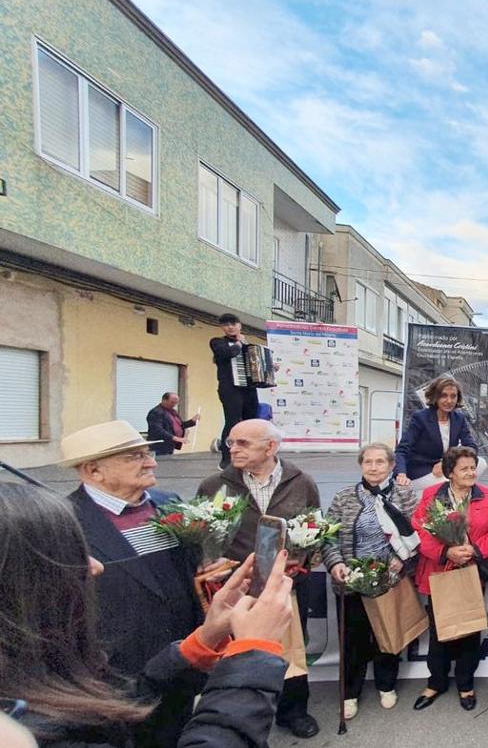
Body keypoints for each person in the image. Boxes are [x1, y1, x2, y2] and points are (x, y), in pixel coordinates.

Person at [0, 480, 293, 748]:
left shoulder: (29, 680)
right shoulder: (19, 732)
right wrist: (252, 655)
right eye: (70, 555)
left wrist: (199, 644)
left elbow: (114, 714)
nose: (95, 567)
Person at [60, 421, 203, 748]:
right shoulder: (63, 520)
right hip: (116, 677)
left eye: (148, 452)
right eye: (135, 456)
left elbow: (189, 573)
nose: (152, 462)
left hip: (183, 661)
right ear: (94, 470)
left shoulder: (169, 502)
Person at [195, 418, 322, 739]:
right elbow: (202, 537)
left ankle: (294, 712)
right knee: (244, 650)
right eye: (231, 443)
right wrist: (213, 562)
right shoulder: (213, 486)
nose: (233, 449)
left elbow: (316, 527)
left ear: (271, 447)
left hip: (289, 583)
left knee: (293, 646)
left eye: (242, 443)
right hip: (239, 588)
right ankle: (247, 714)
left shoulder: (301, 481)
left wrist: (303, 558)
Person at [323, 443, 423, 720]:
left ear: (392, 466)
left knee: (386, 635)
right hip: (352, 581)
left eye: (380, 462)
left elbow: (417, 532)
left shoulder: (404, 494)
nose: (374, 467)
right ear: (361, 465)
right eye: (368, 462)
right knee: (352, 640)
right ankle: (350, 693)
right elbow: (327, 536)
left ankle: (386, 684)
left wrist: (402, 561)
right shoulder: (344, 497)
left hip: (389, 579)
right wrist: (336, 563)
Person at [411, 446, 488, 712]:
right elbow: (419, 531)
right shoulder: (431, 495)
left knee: (470, 631)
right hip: (439, 573)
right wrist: (446, 551)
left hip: (471, 572)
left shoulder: (486, 495)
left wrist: (474, 550)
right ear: (450, 472)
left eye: (473, 467)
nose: (471, 472)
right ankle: (435, 683)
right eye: (464, 468)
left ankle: (466, 684)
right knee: (439, 632)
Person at [395, 375, 482, 489]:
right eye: (444, 396)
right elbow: (402, 450)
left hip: (445, 467)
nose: (449, 401)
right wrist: (401, 473)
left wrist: (446, 463)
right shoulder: (421, 418)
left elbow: (471, 446)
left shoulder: (458, 418)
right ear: (435, 397)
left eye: (453, 396)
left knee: (480, 463)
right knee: (455, 481)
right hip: (422, 470)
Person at [210, 313, 259, 469]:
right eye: (226, 324)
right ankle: (226, 460)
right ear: (222, 327)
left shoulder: (249, 346)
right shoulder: (217, 342)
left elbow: (256, 364)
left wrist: (270, 367)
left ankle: (249, 456)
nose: (230, 327)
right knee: (232, 421)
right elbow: (226, 353)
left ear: (240, 326)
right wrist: (239, 344)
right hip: (230, 388)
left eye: (233, 323)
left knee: (251, 422)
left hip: (248, 388)